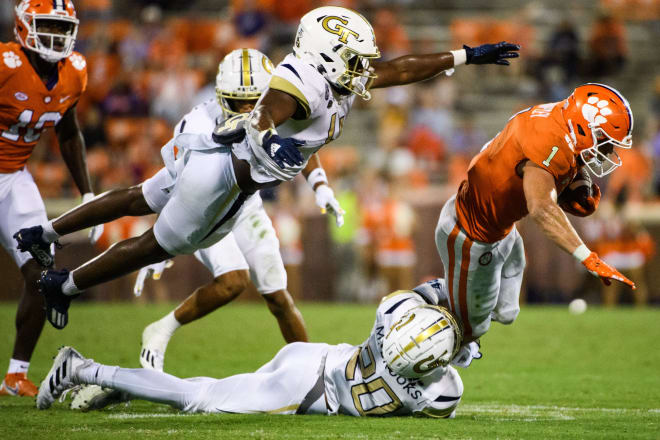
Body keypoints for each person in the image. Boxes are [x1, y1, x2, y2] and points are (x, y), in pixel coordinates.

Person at [16, 6, 520, 330]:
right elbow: (260, 115)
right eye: (353, 58)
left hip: (220, 160)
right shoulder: (300, 81)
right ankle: (63, 285)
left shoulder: (333, 78)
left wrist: (466, 55)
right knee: (156, 243)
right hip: (224, 178)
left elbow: (400, 69)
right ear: (324, 55)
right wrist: (270, 143)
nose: (363, 68)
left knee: (139, 196)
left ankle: (44, 231)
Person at [36, 278, 471, 418]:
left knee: (205, 386)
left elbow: (426, 292)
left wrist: (450, 317)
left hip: (311, 356)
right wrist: (462, 346)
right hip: (308, 390)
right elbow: (445, 373)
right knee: (198, 398)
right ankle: (83, 368)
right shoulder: (441, 390)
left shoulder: (391, 313)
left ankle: (127, 387)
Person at [135, 49, 321, 372]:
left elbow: (304, 143)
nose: (250, 110)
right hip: (208, 209)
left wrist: (320, 183)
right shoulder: (196, 123)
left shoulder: (280, 108)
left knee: (278, 295)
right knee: (234, 280)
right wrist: (160, 243)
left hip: (247, 206)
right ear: (223, 98)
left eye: (256, 100)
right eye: (240, 103)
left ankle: (311, 373)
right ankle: (162, 329)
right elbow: (175, 184)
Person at [435, 83, 636, 344]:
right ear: (586, 126)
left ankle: (454, 294)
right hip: (469, 236)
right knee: (469, 330)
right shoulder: (550, 140)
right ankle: (422, 301)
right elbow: (541, 207)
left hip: (501, 229)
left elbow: (554, 160)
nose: (609, 152)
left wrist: (572, 179)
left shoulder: (561, 118)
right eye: (606, 142)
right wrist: (588, 258)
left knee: (507, 312)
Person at [0, 0, 101, 397]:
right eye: (47, 26)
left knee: (43, 275)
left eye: (62, 28)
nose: (56, 36)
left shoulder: (74, 71)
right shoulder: (5, 64)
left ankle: (15, 376)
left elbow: (69, 131)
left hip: (14, 180)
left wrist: (88, 192)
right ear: (23, 25)